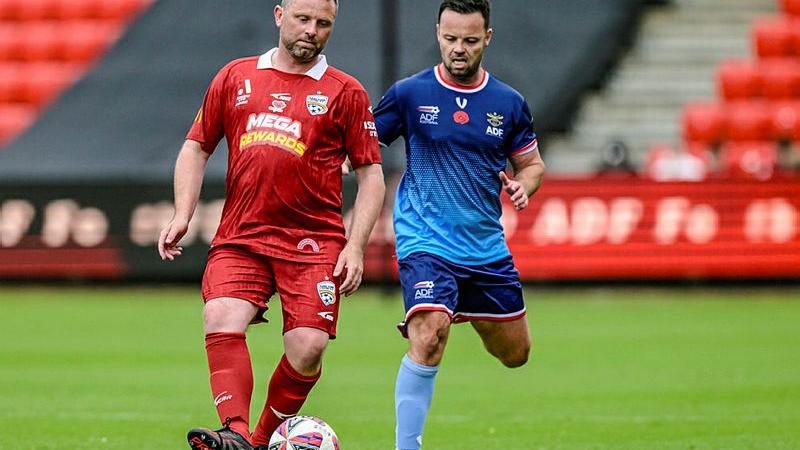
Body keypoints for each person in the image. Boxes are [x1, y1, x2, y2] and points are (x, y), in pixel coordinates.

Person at [158, 0, 385, 448]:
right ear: (279, 15)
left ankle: (257, 442)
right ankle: (235, 433)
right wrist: (183, 211)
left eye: (324, 23)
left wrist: (355, 245)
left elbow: (371, 173)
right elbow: (196, 146)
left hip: (314, 242)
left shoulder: (346, 92)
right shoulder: (236, 76)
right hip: (243, 234)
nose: (312, 30)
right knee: (220, 314)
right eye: (304, 19)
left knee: (308, 348)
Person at [371, 1, 545, 448]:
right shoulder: (409, 93)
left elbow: (532, 164)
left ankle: (457, 306)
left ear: (487, 37)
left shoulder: (508, 103)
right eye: (450, 39)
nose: (458, 49)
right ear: (437, 34)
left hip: (485, 247)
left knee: (516, 355)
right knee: (429, 334)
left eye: (469, 40)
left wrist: (525, 185)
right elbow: (363, 149)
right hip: (424, 239)